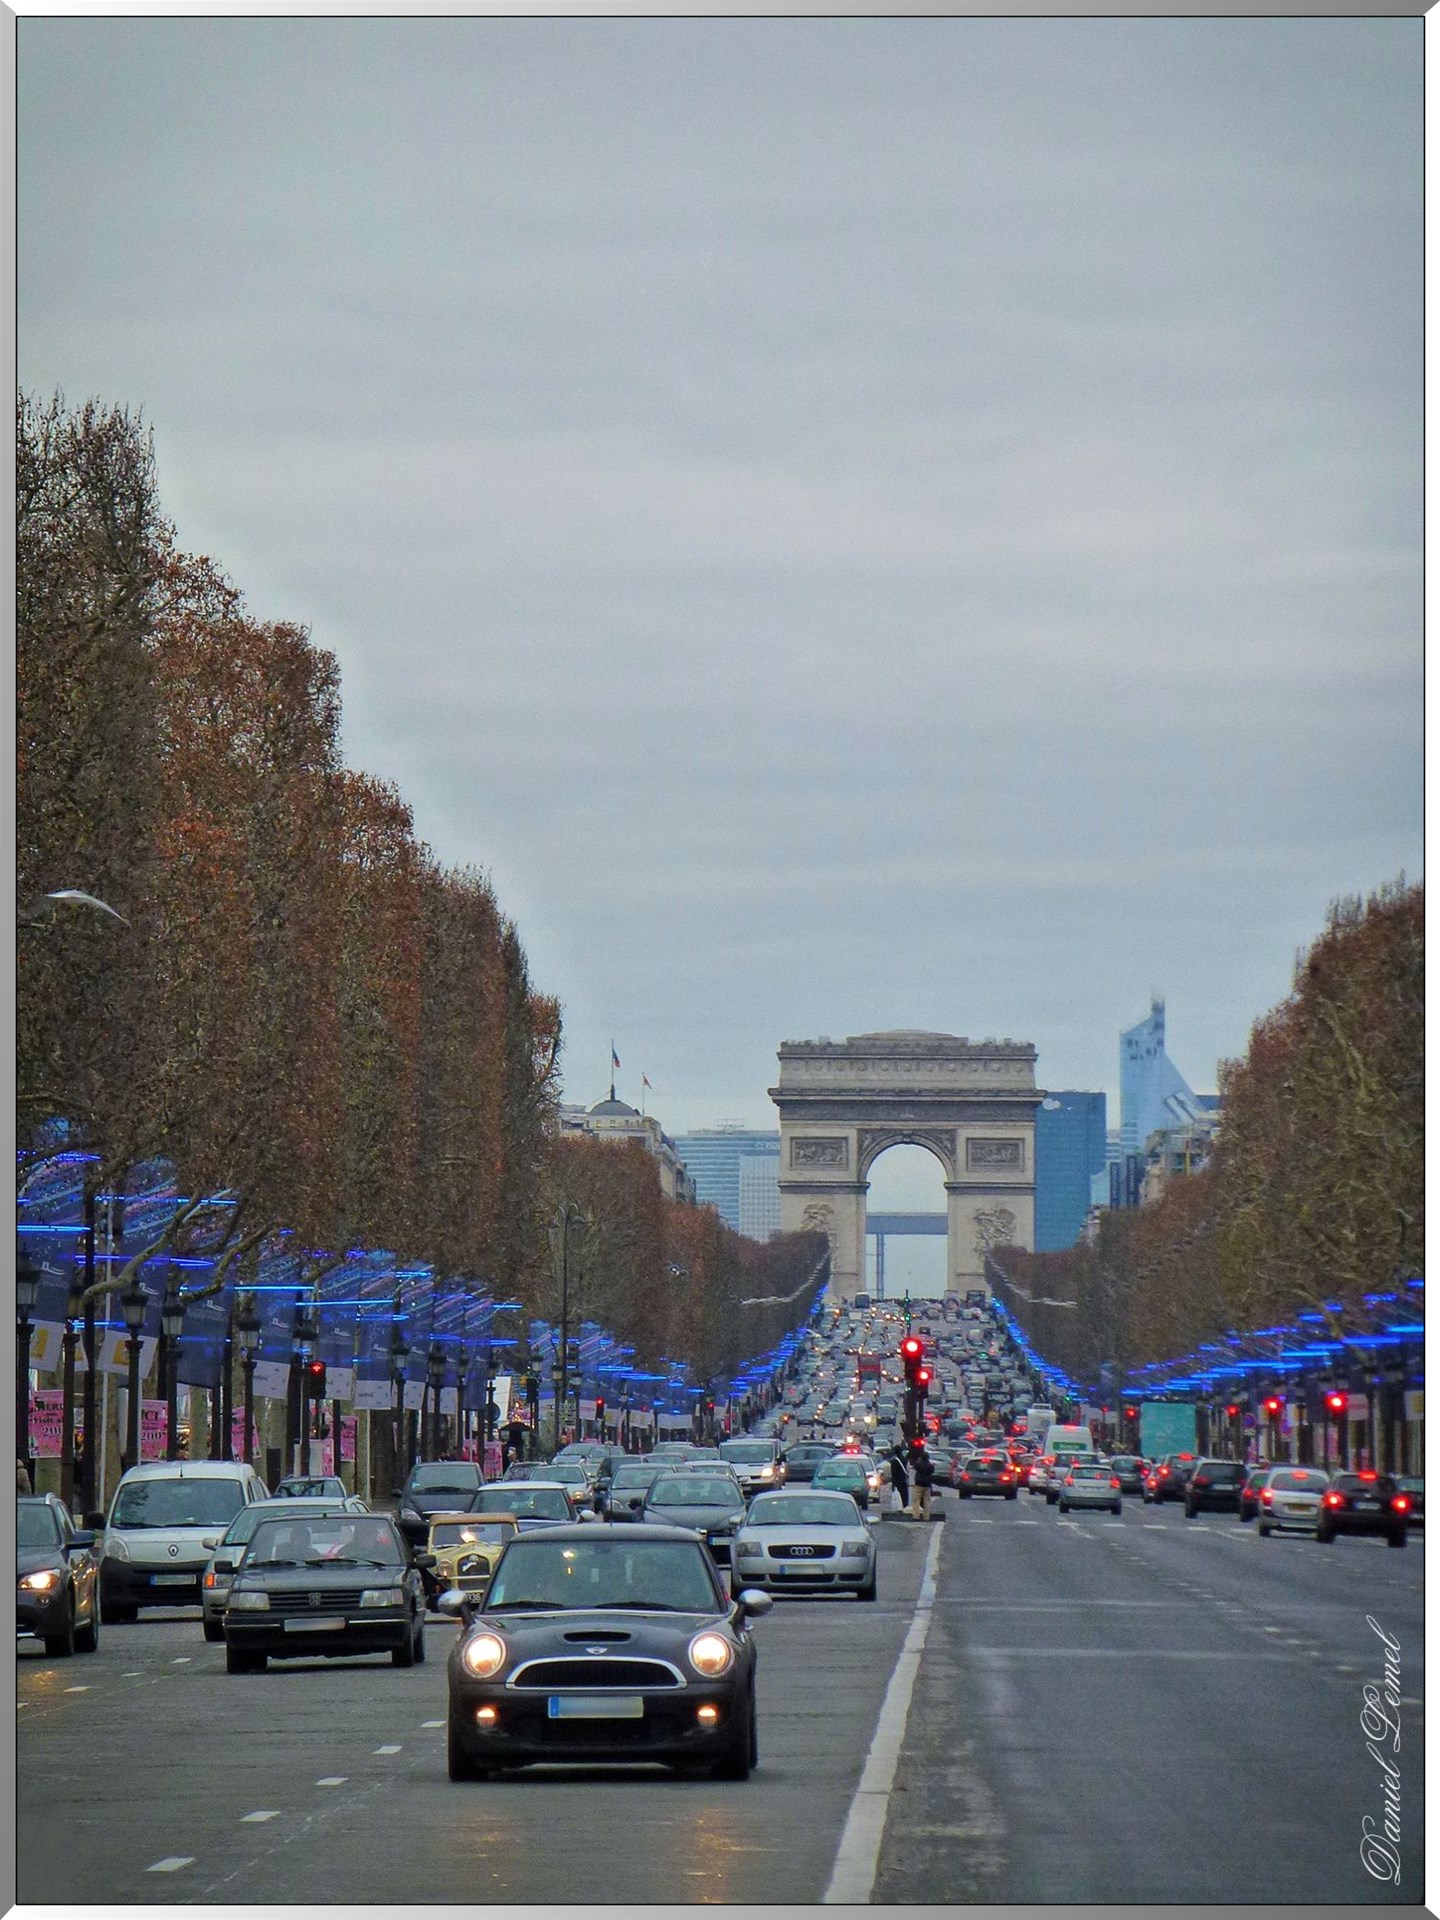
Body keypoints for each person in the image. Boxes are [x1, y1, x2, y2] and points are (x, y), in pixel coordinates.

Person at [909, 1442, 935, 1522]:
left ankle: (916, 1515)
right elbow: (932, 1472)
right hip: (927, 1484)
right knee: (927, 1501)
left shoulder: (919, 1464)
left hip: (919, 1484)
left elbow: (914, 1465)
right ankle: (926, 1516)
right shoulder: (930, 1466)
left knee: (916, 1500)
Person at [888, 1445, 909, 1513]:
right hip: (904, 1480)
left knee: (898, 1495)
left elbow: (893, 1473)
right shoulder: (904, 1459)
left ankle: (899, 1507)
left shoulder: (894, 1461)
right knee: (904, 1494)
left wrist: (893, 1483)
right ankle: (905, 1506)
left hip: (897, 1481)